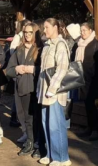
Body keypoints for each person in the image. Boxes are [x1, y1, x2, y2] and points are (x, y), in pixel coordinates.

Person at [36, 18, 71, 166]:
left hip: (55, 93)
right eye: (44, 28)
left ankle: (62, 158)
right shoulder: (47, 45)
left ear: (55, 27)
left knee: (56, 125)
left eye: (47, 27)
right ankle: (50, 155)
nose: (44, 31)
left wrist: (52, 89)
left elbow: (62, 68)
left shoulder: (61, 45)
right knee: (46, 123)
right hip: (44, 92)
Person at [7, 21, 43, 156]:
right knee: (26, 118)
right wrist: (16, 69)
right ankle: (30, 141)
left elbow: (47, 69)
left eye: (30, 32)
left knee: (36, 117)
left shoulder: (41, 49)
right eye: (25, 32)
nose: (27, 35)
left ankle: (38, 143)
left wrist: (33, 69)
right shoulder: (19, 49)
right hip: (22, 88)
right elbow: (8, 70)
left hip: (36, 88)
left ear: (35, 33)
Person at [76, 22, 98, 141]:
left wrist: (97, 77)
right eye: (81, 31)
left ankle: (95, 130)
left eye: (84, 30)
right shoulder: (79, 45)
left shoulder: (96, 45)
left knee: (91, 104)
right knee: (86, 104)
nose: (82, 33)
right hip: (81, 78)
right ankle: (89, 127)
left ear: (90, 31)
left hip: (92, 79)